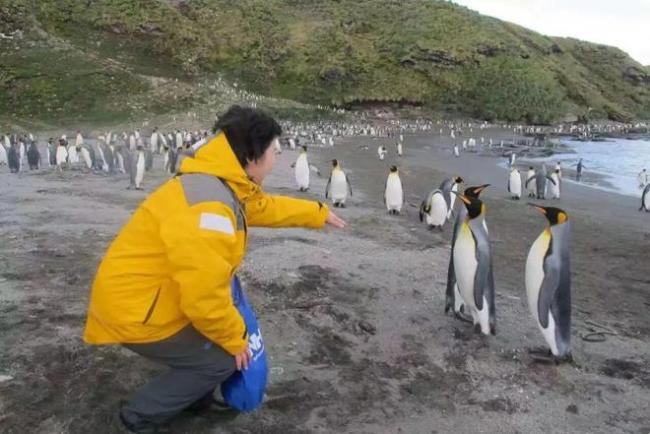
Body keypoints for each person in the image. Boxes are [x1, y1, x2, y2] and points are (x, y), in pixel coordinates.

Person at [83, 106, 346, 433]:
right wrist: (235, 340)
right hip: (137, 310)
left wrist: (318, 214)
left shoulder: (220, 183)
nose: (276, 160)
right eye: (272, 152)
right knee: (224, 355)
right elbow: (204, 297)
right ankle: (136, 418)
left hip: (150, 297)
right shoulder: (211, 209)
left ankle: (194, 397)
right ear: (252, 157)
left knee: (220, 343)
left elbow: (263, 207)